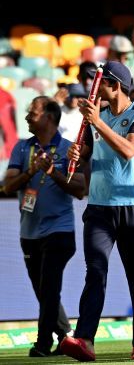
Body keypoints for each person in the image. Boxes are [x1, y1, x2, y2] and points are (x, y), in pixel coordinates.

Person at [59, 61, 134, 361]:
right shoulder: (93, 119)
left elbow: (129, 150)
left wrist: (97, 123)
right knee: (95, 272)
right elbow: (83, 153)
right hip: (99, 207)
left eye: (98, 83)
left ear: (114, 85)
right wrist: (74, 153)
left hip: (132, 207)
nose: (93, 89)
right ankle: (85, 339)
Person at [4, 96, 85, 357]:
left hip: (60, 230)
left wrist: (53, 172)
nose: (27, 117)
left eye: (33, 113)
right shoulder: (21, 148)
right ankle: (64, 335)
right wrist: (30, 171)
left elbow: (80, 189)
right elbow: (7, 186)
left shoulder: (68, 149)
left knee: (49, 286)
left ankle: (42, 344)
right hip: (29, 231)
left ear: (49, 117)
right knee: (43, 289)